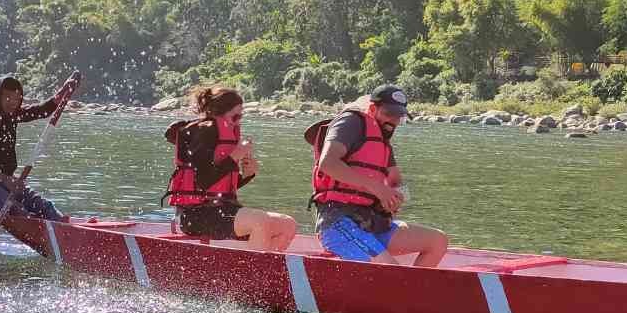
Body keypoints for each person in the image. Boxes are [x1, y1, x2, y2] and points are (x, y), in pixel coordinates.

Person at [307, 84, 448, 267]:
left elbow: (396, 180)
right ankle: (400, 291)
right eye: (390, 113)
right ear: (373, 108)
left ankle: (408, 293)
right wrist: (376, 187)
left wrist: (397, 198)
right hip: (338, 223)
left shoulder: (382, 140)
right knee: (392, 270)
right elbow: (328, 163)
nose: (395, 121)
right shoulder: (350, 123)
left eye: (400, 116)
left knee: (437, 241)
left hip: (372, 223)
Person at [164, 87, 297, 251]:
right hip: (195, 215)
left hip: (222, 210)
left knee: (287, 224)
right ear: (219, 112)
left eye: (241, 116)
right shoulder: (203, 132)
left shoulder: (224, 133)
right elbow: (203, 181)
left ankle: (260, 270)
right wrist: (235, 156)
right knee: (260, 222)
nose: (239, 121)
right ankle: (254, 273)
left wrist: (247, 175)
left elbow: (218, 185)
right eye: (236, 115)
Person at [0, 74, 75, 222]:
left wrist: (62, 92)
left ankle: (63, 227)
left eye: (17, 99)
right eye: (8, 97)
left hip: (9, 183)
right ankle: (32, 222)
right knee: (18, 212)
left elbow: (40, 111)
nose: (13, 103)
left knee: (45, 207)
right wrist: (7, 181)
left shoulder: (11, 116)